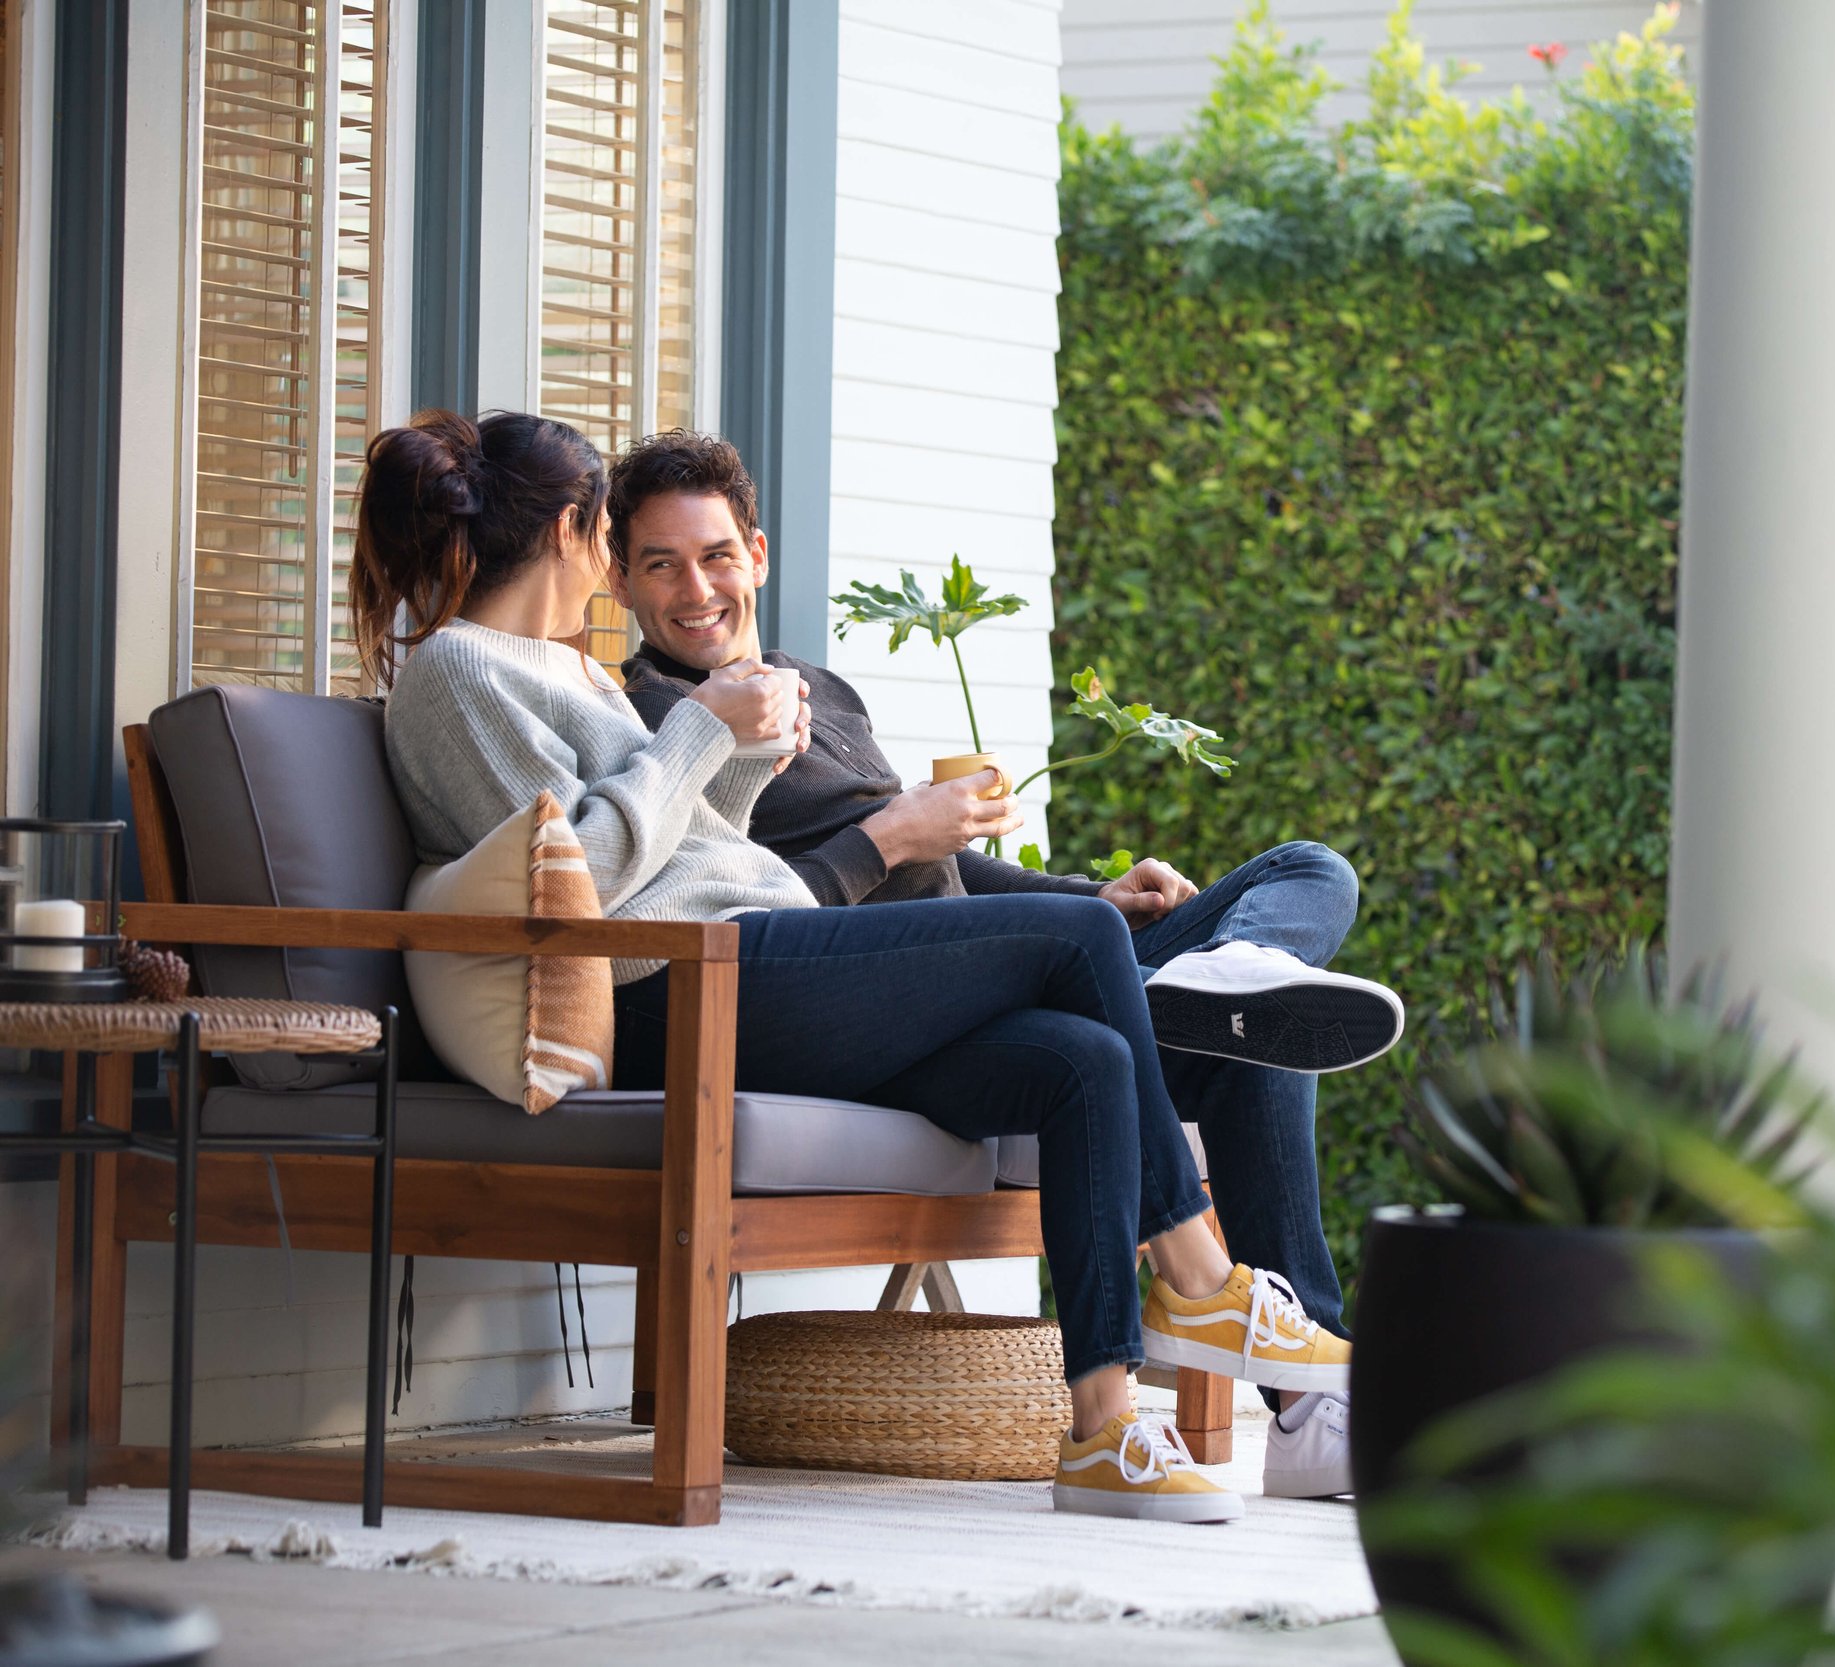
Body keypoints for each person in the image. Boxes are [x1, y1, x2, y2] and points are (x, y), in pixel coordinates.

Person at [352, 408, 1358, 1524]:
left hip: (760, 954)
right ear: (571, 532)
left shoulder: (569, 674)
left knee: (1082, 1058)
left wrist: (740, 759)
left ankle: (1103, 1428)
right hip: (679, 987)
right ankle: (1201, 1279)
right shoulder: (458, 671)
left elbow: (695, 851)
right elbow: (575, 886)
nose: (632, 572)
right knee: (1080, 940)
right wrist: (701, 733)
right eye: (621, 545)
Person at [604, 429, 1405, 1501]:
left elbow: (940, 872)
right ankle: (1201, 1288)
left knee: (1292, 921)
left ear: (755, 552)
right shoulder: (659, 724)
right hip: (858, 1010)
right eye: (660, 564)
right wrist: (896, 831)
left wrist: (1091, 897)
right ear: (621, 579)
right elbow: (751, 910)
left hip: (996, 975)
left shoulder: (820, 690)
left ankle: (1285, 1415)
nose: (694, 589)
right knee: (1135, 1033)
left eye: (713, 555)